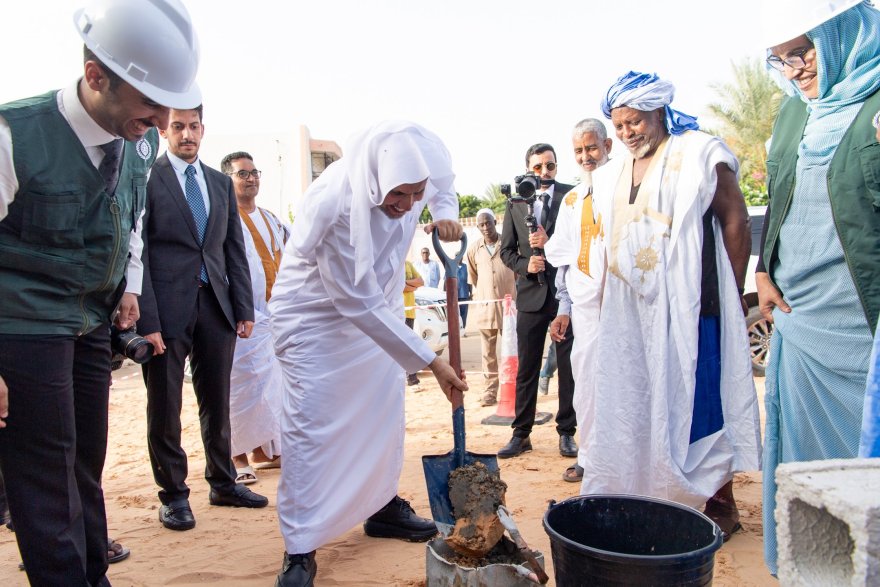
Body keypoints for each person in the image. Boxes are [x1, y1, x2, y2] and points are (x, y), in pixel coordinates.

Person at [0, 0, 201, 583]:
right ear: (95, 77)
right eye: (149, 103)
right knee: (44, 472)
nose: (163, 120)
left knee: (85, 463)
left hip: (92, 320)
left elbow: (131, 218)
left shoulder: (136, 140)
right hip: (24, 323)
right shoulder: (15, 135)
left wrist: (128, 286)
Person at [268, 120, 467, 586]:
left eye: (415, 194)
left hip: (379, 313)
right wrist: (431, 360)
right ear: (377, 180)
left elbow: (444, 186)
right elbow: (355, 301)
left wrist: (443, 210)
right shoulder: (335, 202)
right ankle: (300, 546)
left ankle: (380, 507)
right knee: (311, 429)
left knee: (381, 416)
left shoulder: (419, 168)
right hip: (316, 317)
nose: (405, 206)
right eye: (398, 195)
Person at [578, 71, 762, 542]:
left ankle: (718, 500)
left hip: (692, 305)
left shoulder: (700, 152)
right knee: (634, 399)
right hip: (631, 312)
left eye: (634, 122)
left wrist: (733, 293)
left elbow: (736, 217)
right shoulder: (613, 171)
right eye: (618, 126)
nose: (626, 133)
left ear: (659, 111)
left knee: (698, 400)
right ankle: (649, 490)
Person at [758, 0, 880, 573]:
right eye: (781, 59)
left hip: (863, 323)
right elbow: (780, 192)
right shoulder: (792, 113)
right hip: (800, 317)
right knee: (809, 471)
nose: (796, 68)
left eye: (804, 50)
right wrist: (763, 269)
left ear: (844, 35)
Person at [138, 106, 267, 532]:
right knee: (165, 405)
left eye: (193, 127)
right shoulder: (146, 179)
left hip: (217, 306)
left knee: (217, 400)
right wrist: (147, 320)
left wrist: (243, 308)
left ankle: (223, 482)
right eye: (178, 126)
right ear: (163, 130)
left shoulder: (217, 182)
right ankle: (173, 495)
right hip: (166, 310)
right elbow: (139, 252)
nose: (187, 134)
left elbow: (233, 249)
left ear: (203, 130)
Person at [544, 117, 613, 483]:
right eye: (579, 151)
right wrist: (564, 309)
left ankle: (623, 458)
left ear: (608, 148)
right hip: (585, 312)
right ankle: (589, 455)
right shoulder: (571, 200)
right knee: (586, 384)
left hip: (622, 309)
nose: (586, 156)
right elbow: (566, 261)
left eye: (591, 148)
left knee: (624, 382)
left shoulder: (624, 189)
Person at [498, 143, 577, 459]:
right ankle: (521, 434)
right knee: (527, 368)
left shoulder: (573, 198)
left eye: (550, 166)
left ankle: (567, 434)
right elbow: (506, 250)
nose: (544, 172)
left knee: (568, 369)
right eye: (538, 167)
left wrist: (551, 243)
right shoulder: (515, 203)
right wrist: (524, 265)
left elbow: (581, 244)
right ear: (528, 169)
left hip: (564, 298)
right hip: (530, 296)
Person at [220, 151, 289, 484]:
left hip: (273, 317)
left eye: (254, 172)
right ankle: (237, 458)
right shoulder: (222, 217)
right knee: (240, 388)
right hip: (240, 319)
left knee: (272, 387)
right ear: (228, 179)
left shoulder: (272, 218)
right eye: (242, 174)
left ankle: (267, 452)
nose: (251, 178)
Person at [465, 208, 516, 407]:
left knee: (511, 350)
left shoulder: (509, 244)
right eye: (481, 224)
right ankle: (490, 392)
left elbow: (517, 274)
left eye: (489, 223)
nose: (486, 227)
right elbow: (474, 277)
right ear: (477, 227)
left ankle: (513, 390)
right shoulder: (473, 249)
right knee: (488, 353)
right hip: (486, 308)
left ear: (495, 222)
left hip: (509, 308)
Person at [403, 260, 424, 387]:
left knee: (409, 345)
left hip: (409, 312)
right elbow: (395, 285)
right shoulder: (388, 262)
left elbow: (421, 282)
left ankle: (411, 378)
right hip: (396, 312)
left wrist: (405, 283)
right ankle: (410, 377)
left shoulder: (408, 264)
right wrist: (412, 285)